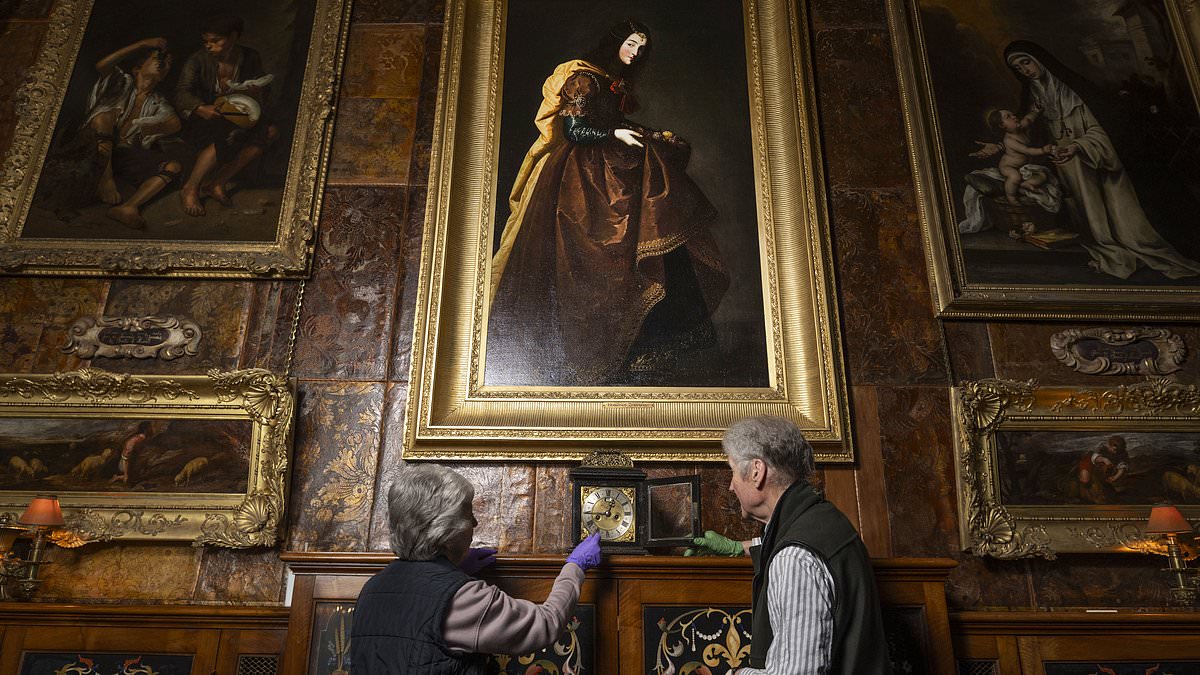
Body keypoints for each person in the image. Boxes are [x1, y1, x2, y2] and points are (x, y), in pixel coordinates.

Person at [486, 19, 729, 387]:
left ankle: (652, 344)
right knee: (594, 256)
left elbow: (612, 119)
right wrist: (614, 131)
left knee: (656, 223)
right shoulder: (583, 78)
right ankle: (595, 354)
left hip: (614, 167)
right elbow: (576, 130)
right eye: (631, 44)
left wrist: (643, 132)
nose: (635, 53)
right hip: (580, 180)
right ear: (616, 41)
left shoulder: (610, 80)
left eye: (641, 49)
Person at [973, 41, 1200, 279]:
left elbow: (1101, 131)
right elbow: (1020, 134)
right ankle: (1107, 246)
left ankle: (1135, 247)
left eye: (1026, 62)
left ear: (1039, 59)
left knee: (1130, 229)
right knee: (1091, 224)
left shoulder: (1073, 89)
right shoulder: (1033, 96)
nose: (1025, 70)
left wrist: (1076, 147)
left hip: (1096, 160)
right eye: (1019, 68)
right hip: (1067, 167)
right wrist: (998, 145)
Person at [350, 463, 602, 674]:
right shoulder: (462, 599)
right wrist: (575, 566)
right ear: (445, 528)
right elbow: (544, 624)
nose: (474, 522)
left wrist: (454, 567)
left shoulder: (373, 587)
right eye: (467, 514)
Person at [685, 416, 891, 674]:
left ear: (757, 472)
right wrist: (738, 548)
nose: (730, 486)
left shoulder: (794, 559)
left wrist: (737, 673)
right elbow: (791, 540)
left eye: (733, 471)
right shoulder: (825, 518)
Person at [174, 14, 279, 216]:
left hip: (237, 115)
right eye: (206, 41)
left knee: (271, 131)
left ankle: (217, 182)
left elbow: (263, 88)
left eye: (215, 41)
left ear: (232, 37)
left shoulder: (250, 57)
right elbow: (181, 93)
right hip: (203, 117)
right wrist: (200, 108)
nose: (209, 46)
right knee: (223, 132)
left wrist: (257, 91)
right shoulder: (197, 60)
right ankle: (190, 188)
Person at [84, 38, 183, 229]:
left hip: (123, 154)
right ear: (138, 68)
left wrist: (156, 128)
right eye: (157, 58)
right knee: (103, 117)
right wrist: (142, 45)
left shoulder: (157, 101)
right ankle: (106, 180)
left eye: (168, 63)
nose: (163, 63)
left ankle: (129, 207)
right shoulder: (120, 82)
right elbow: (102, 65)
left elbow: (175, 123)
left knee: (173, 166)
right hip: (90, 146)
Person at [983, 105, 1052, 207]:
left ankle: (1026, 184)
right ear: (1002, 126)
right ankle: (1010, 196)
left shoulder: (1020, 127)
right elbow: (1027, 151)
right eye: (1008, 117)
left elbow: (1028, 119)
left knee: (1043, 175)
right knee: (1015, 177)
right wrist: (1042, 150)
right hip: (1008, 167)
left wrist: (1035, 112)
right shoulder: (1009, 140)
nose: (1014, 117)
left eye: (1013, 114)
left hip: (1023, 167)